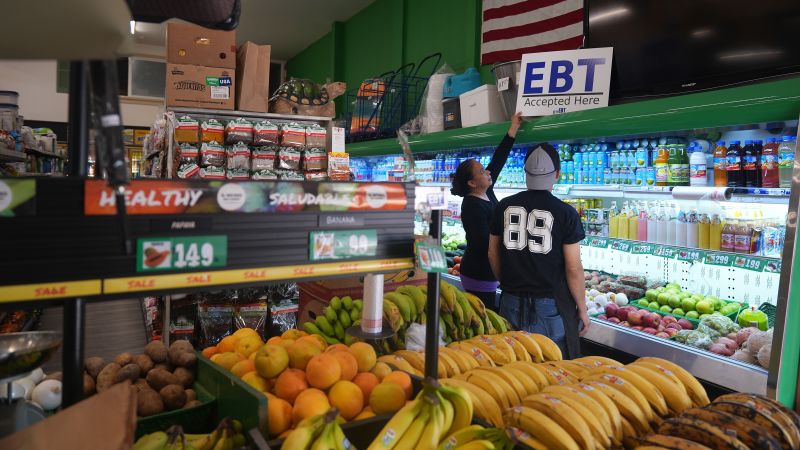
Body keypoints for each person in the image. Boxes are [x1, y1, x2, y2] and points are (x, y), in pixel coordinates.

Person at [487, 142, 590, 359]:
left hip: (510, 300)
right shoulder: (566, 213)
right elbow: (573, 268)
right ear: (557, 174)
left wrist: (508, 282)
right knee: (551, 367)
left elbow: (492, 254)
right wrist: (582, 307)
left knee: (512, 366)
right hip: (549, 307)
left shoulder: (503, 206)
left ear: (525, 173)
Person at [450, 112, 522, 310]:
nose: (488, 172)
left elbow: (498, 160)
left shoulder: (485, 191)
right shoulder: (471, 206)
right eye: (482, 171)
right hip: (479, 273)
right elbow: (483, 244)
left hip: (488, 271)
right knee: (484, 318)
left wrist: (513, 129)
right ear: (472, 183)